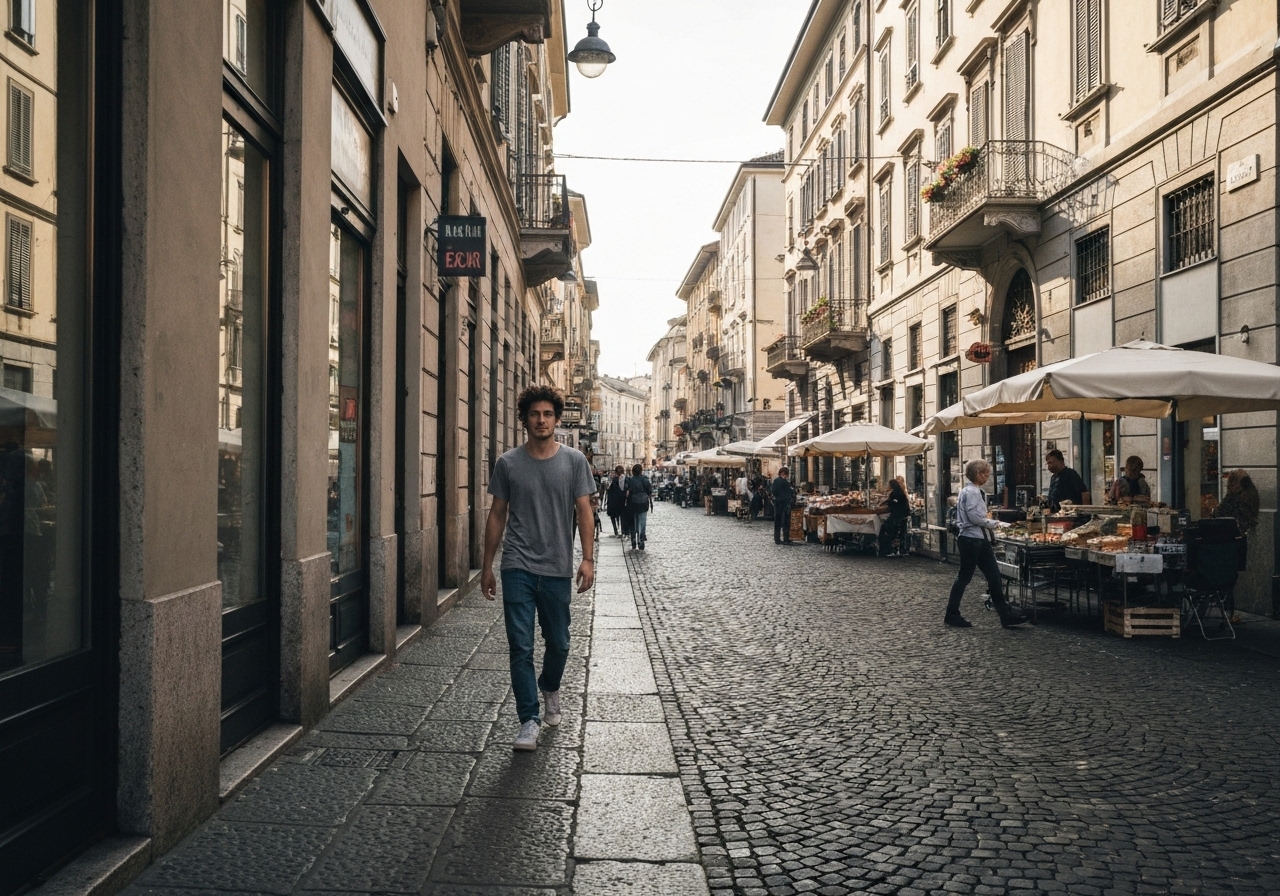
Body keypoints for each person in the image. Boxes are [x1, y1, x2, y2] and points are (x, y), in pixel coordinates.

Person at [481, 385, 596, 751]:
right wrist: (487, 566)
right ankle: (528, 719)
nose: (541, 420)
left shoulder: (574, 461)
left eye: (547, 414)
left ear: (557, 419)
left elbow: (584, 511)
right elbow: (497, 515)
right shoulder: (508, 463)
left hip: (557, 566)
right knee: (520, 646)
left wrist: (588, 558)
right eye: (534, 414)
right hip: (517, 565)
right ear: (525, 419)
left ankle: (550, 686)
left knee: (559, 643)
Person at [945, 458, 1031, 629]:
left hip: (975, 538)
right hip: (972, 538)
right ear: (978, 474)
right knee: (967, 577)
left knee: (993, 576)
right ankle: (952, 613)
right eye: (986, 474)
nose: (987, 477)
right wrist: (997, 524)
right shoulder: (973, 492)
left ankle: (1005, 614)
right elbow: (975, 518)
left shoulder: (967, 491)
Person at [877, 477, 911, 557]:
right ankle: (895, 548)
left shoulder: (896, 493)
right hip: (901, 514)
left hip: (898, 515)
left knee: (886, 528)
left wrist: (886, 503)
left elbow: (893, 502)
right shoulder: (898, 491)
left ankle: (889, 549)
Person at [624, 463, 653, 550]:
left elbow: (626, 490)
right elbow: (649, 490)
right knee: (642, 521)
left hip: (632, 502)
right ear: (641, 471)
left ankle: (633, 538)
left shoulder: (630, 480)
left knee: (633, 521)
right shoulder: (645, 479)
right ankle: (641, 539)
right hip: (643, 503)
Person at [770, 467, 796, 545]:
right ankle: (786, 538)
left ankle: (777, 539)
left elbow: (773, 491)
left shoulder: (775, 481)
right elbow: (789, 493)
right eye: (786, 475)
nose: (787, 476)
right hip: (784, 504)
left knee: (777, 522)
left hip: (777, 503)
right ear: (784, 474)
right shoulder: (785, 482)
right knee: (785, 522)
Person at [606, 464, 626, 537]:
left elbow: (610, 490)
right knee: (622, 517)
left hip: (613, 502)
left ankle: (616, 530)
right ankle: (622, 531)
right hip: (621, 501)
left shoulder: (614, 480)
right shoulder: (625, 479)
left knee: (613, 517)